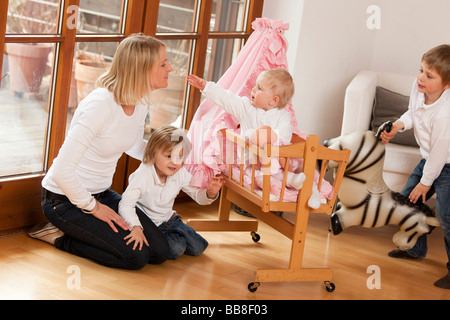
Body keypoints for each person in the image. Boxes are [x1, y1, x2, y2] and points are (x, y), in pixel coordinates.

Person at [28, 34, 173, 270]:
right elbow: (62, 172)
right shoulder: (99, 106)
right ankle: (58, 236)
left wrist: (168, 156)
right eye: (163, 64)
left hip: (101, 193)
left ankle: (85, 230)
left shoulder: (139, 102)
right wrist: (94, 208)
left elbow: (134, 146)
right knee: (135, 257)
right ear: (142, 69)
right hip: (64, 200)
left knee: (159, 251)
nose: (170, 67)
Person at [188, 68, 321, 207]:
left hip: (279, 161)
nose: (253, 89)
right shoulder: (246, 108)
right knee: (266, 176)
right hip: (254, 163)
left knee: (302, 167)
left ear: (273, 100)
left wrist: (272, 143)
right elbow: (227, 98)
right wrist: (206, 86)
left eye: (259, 88)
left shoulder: (282, 116)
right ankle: (293, 180)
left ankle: (312, 191)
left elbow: (285, 135)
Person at [380, 44, 450, 289]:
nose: (421, 77)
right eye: (421, 70)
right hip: (429, 158)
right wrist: (398, 125)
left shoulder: (445, 114)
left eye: (429, 76)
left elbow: (441, 153)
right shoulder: (418, 89)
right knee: (409, 201)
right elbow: (412, 113)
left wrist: (425, 183)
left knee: (446, 215)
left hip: (447, 164)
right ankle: (415, 249)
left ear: (447, 84)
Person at [118, 126, 224, 259]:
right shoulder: (143, 175)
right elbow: (125, 205)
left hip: (170, 220)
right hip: (150, 223)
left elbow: (197, 196)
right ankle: (172, 239)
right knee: (176, 248)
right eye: (169, 156)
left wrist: (210, 193)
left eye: (180, 157)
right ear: (152, 153)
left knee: (199, 247)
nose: (174, 162)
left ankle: (176, 235)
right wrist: (135, 226)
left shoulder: (180, 173)